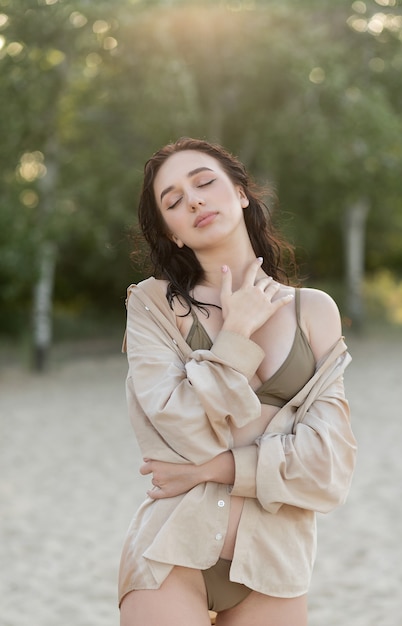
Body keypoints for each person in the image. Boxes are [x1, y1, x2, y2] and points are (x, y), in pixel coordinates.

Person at [118, 137, 356, 626]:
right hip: (171, 550)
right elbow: (181, 430)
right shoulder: (153, 307)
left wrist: (216, 468)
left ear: (242, 194)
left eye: (204, 183)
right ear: (173, 233)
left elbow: (329, 469)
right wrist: (237, 332)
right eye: (174, 201)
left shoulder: (314, 310)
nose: (195, 200)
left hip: (276, 562)